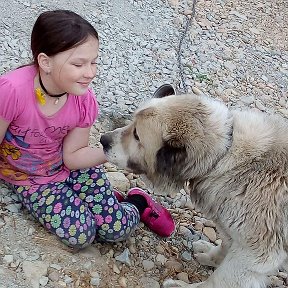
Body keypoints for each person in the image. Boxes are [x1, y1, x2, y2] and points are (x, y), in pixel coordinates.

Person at [0, 10, 175, 248]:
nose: (91, 72)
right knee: (81, 235)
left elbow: (73, 158)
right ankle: (98, 204)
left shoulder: (83, 100)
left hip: (70, 168)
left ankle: (137, 203)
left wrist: (123, 147)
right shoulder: (11, 91)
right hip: (32, 179)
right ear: (45, 62)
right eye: (78, 64)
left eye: (94, 62)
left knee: (116, 230)